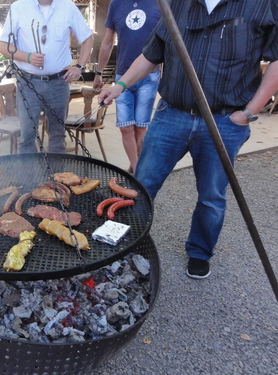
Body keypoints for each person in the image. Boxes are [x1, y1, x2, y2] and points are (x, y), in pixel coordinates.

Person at [99, 0, 278, 279]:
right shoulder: (177, 5)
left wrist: (249, 112)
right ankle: (123, 241)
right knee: (141, 185)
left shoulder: (262, 4)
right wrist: (120, 85)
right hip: (172, 115)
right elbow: (151, 54)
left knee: (211, 196)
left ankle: (199, 252)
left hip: (224, 120)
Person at [0, 0, 94, 153]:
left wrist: (79, 66)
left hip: (59, 82)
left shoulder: (68, 7)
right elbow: (4, 46)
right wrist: (27, 57)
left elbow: (88, 38)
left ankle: (57, 176)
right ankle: (31, 176)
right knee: (28, 135)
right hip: (28, 82)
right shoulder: (19, 7)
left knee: (58, 135)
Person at [93, 0, 161, 174]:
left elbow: (167, 41)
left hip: (149, 76)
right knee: (125, 127)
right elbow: (108, 42)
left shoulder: (160, 3)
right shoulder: (116, 4)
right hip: (122, 76)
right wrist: (98, 72)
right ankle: (138, 169)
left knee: (140, 128)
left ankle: (136, 167)